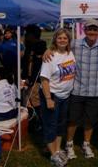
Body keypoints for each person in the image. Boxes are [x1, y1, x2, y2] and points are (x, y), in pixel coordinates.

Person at [44, 19, 98, 159]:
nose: (92, 32)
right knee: (73, 120)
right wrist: (48, 50)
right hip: (77, 91)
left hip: (95, 92)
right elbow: (59, 46)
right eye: (89, 29)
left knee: (90, 120)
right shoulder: (75, 44)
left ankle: (86, 144)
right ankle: (69, 145)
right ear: (85, 31)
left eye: (95, 29)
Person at [39, 28, 76, 167]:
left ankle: (58, 149)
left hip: (65, 96)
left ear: (68, 40)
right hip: (52, 96)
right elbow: (44, 79)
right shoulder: (50, 57)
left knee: (60, 125)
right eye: (59, 38)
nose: (62, 40)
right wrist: (48, 99)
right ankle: (53, 155)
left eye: (65, 38)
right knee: (50, 125)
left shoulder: (70, 53)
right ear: (55, 39)